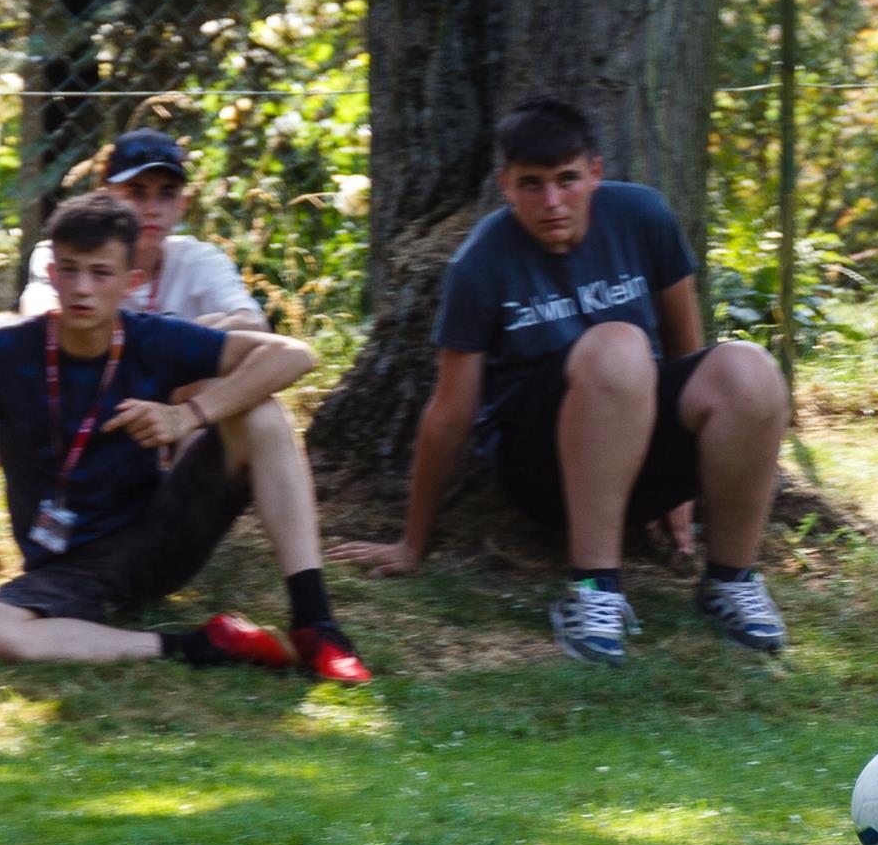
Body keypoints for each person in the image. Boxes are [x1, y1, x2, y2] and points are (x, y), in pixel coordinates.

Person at [329, 97, 791, 669]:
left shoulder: (643, 217)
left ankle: (731, 579)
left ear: (594, 172)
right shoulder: (480, 263)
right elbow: (450, 413)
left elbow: (687, 355)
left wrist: (684, 491)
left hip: (640, 439)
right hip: (540, 467)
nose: (552, 202)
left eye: (567, 180)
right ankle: (593, 588)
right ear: (506, 185)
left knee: (748, 368)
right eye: (532, 184)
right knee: (618, 345)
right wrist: (412, 542)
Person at [0, 194, 370, 680]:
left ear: (131, 281)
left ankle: (314, 623)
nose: (82, 288)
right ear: (52, 274)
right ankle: (202, 645)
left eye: (101, 273)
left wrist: (188, 415)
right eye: (69, 270)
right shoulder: (12, 351)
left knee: (260, 414)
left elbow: (294, 355)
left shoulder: (153, 338)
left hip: (159, 537)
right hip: (65, 571)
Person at [17, 129, 267, 328]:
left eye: (166, 194)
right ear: (105, 197)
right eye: (136, 193)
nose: (153, 209)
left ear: (182, 204)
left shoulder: (199, 259)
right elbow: (38, 317)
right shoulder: (61, 252)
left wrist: (181, 337)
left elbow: (253, 323)